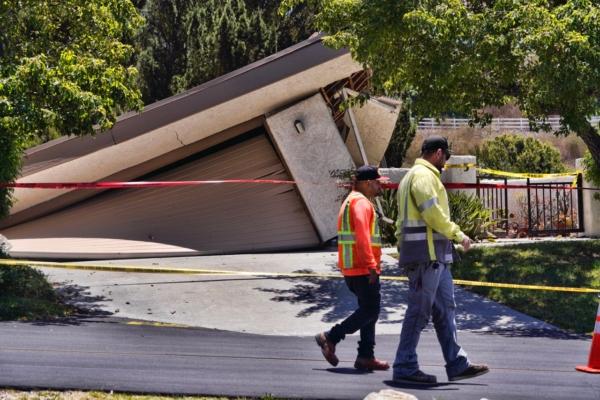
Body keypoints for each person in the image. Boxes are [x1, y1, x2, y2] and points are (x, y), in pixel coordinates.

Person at [392, 136, 489, 384]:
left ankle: (457, 363)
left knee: (446, 310)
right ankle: (404, 366)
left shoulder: (410, 177)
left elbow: (400, 224)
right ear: (437, 153)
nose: (446, 161)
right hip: (426, 257)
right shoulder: (424, 177)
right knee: (419, 312)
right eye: (446, 156)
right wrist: (458, 233)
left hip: (434, 257)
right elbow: (433, 214)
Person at [315, 165, 390, 371]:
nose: (379, 186)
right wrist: (371, 266)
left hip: (353, 268)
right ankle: (331, 337)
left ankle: (366, 356)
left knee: (369, 311)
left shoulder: (350, 201)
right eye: (377, 182)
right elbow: (362, 237)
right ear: (367, 183)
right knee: (370, 310)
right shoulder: (360, 203)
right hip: (362, 269)